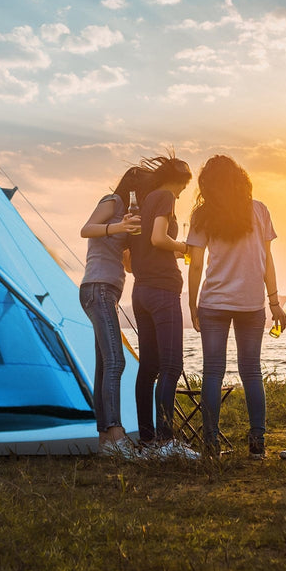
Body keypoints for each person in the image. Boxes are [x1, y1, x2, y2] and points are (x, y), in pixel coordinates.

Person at [187, 155, 286, 459]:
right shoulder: (259, 210)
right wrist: (274, 302)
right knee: (252, 371)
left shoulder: (202, 215)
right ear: (239, 178)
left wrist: (192, 306)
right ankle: (257, 444)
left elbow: (195, 267)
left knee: (212, 372)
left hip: (214, 302)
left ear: (208, 184)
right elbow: (266, 260)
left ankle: (210, 444)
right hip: (251, 303)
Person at [129, 154, 199, 459]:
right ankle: (166, 441)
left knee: (149, 367)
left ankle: (147, 440)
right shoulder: (166, 196)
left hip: (141, 290)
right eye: (185, 186)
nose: (183, 193)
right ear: (180, 180)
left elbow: (141, 249)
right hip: (161, 290)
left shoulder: (145, 201)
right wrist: (184, 248)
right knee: (171, 365)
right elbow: (159, 238)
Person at [80, 166, 150, 458]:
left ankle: (104, 441)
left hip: (107, 291)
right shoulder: (113, 201)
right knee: (116, 360)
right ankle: (117, 434)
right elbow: (86, 229)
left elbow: (130, 266)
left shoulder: (129, 216)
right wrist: (119, 227)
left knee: (104, 365)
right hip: (97, 288)